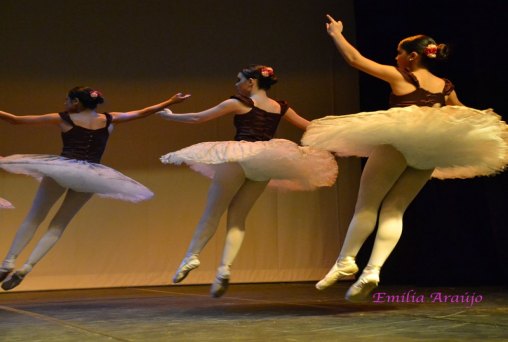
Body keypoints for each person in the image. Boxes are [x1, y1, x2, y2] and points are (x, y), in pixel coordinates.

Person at [302, 15, 508, 302]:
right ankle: (373, 269)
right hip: (431, 149)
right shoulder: (444, 86)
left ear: (412, 57)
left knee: (367, 204)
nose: (395, 56)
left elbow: (355, 60)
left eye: (399, 52)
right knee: (395, 209)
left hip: (400, 141)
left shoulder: (401, 76)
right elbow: (460, 111)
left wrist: (336, 34)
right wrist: (487, 120)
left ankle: (346, 260)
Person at [159, 65, 338, 297]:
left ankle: (191, 257)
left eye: (239, 79)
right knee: (238, 217)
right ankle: (224, 268)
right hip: (266, 160)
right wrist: (342, 130)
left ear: (251, 82)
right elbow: (311, 127)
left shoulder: (238, 102)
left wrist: (170, 116)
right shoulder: (280, 107)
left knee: (212, 212)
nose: (236, 84)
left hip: (239, 156)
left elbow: (197, 118)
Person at [0, 87, 189, 290]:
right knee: (59, 225)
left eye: (67, 100)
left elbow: (15, 120)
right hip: (91, 175)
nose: (64, 103)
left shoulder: (64, 118)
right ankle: (27, 267)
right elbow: (142, 112)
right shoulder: (109, 119)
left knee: (35, 217)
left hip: (62, 169)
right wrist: (170, 101)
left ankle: (8, 263)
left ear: (75, 103)